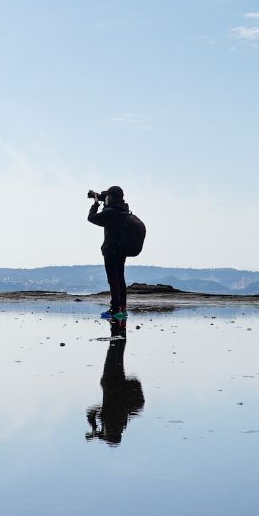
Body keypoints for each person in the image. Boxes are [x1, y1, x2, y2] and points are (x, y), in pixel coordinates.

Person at [85, 318, 145, 446]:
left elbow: (93, 413)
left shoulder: (121, 420)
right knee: (113, 351)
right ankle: (116, 323)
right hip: (110, 381)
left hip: (118, 381)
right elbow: (90, 412)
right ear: (111, 433)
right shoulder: (110, 419)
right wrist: (95, 429)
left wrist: (97, 432)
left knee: (118, 350)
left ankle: (120, 324)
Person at [87, 185, 133, 320]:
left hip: (111, 251)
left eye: (107, 196)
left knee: (113, 281)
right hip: (121, 250)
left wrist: (96, 203)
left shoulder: (110, 213)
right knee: (120, 280)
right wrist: (103, 199)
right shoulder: (123, 210)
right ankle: (122, 310)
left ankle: (114, 310)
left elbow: (92, 218)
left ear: (111, 198)